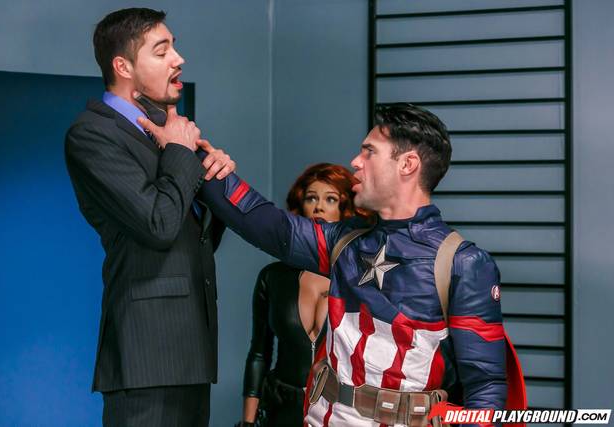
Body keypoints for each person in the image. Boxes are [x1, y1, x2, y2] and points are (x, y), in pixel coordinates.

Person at [183, 104, 526, 427]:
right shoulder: (343, 242)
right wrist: (193, 157)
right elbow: (265, 224)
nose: (355, 162)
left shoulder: (462, 263)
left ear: (407, 164)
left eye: (369, 152)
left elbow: (485, 388)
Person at [64, 8, 236, 427]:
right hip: (146, 355)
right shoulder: (92, 134)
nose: (179, 59)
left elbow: (194, 237)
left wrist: (216, 180)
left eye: (175, 47)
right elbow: (158, 225)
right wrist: (180, 153)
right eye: (162, 51)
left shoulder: (170, 129)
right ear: (123, 67)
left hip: (193, 350)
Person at [238, 163, 373, 427]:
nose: (318, 207)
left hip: (341, 411)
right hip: (281, 409)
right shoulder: (273, 277)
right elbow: (259, 353)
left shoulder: (362, 278)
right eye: (311, 198)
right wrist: (247, 422)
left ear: (346, 209)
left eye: (330, 199)